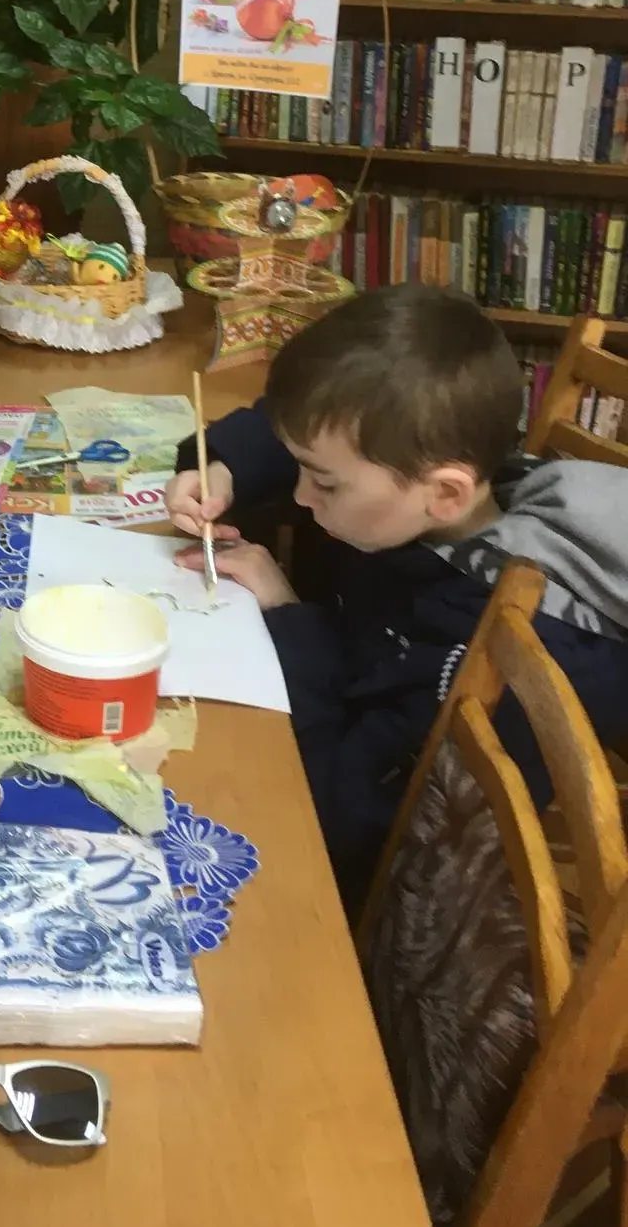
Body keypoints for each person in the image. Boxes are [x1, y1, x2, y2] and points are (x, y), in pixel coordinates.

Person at [164, 285, 628, 907]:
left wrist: (286, 611)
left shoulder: (492, 652)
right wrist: (225, 469)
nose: (302, 496)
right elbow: (317, 429)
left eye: (325, 484)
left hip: (364, 895)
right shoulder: (433, 485)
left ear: (445, 495)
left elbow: (348, 823)